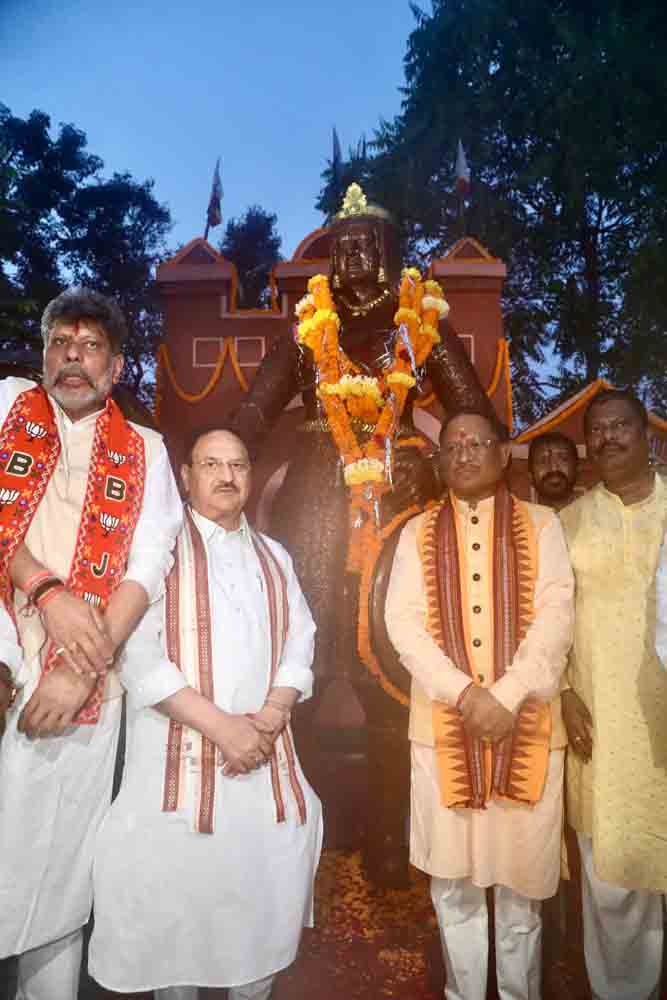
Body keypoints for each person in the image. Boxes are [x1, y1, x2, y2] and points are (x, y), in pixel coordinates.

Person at [231, 183, 494, 884]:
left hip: (400, 493)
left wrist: (445, 456)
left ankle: (388, 831)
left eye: (365, 243)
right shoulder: (307, 323)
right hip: (318, 494)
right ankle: (310, 827)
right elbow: (258, 406)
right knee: (308, 660)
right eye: (340, 243)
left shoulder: (415, 325)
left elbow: (470, 405)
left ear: (386, 252)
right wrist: (223, 453)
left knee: (394, 661)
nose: (351, 253)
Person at [89, 428, 322, 999]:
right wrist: (224, 728)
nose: (226, 476)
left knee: (259, 924)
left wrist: (270, 714)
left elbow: (302, 636)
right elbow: (137, 655)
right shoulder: (156, 554)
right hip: (180, 773)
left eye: (238, 465)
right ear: (186, 477)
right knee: (178, 936)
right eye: (211, 464)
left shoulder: (275, 555)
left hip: (264, 764)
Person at [0, 288, 183, 1000]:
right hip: (9, 635)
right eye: (60, 343)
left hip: (82, 680)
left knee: (54, 873)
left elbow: (148, 567)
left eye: (91, 346)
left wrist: (82, 667)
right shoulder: (6, 406)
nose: (72, 358)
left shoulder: (146, 450)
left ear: (116, 368)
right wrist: (45, 587)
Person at [385, 409, 575, 1000]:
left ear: (502, 454)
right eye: (453, 445)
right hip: (443, 729)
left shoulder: (543, 526)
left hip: (530, 725)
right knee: (455, 887)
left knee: (521, 892)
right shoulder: (415, 533)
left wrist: (507, 696)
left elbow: (556, 618)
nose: (464, 453)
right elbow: (402, 624)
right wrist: (467, 695)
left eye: (477, 443)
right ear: (440, 463)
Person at [560, 388, 667, 1000]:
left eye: (618, 425)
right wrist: (562, 691)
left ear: (645, 433)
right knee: (612, 880)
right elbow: (547, 623)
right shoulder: (568, 521)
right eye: (595, 431)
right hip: (598, 720)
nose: (606, 438)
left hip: (660, 718)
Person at [528, 431, 578, 510]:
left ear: (577, 468)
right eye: (543, 461)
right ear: (530, 474)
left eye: (563, 459)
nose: (553, 467)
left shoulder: (595, 516)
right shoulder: (516, 520)